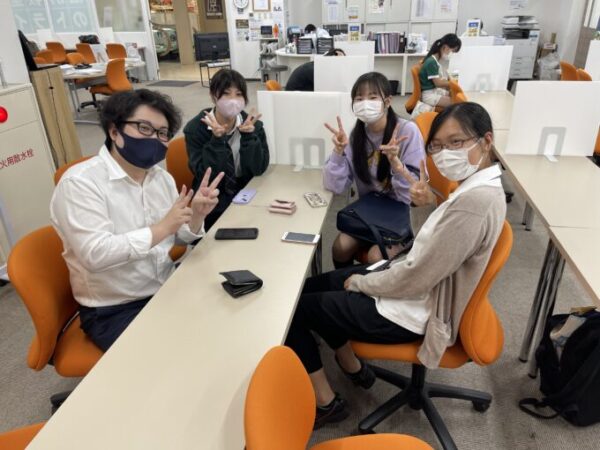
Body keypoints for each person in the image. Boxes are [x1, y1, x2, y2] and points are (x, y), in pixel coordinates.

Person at [285, 102, 507, 429]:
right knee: (314, 288)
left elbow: (419, 277)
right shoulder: (477, 187)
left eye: (456, 142)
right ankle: (353, 367)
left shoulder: (475, 202)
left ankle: (326, 403)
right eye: (438, 146)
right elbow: (432, 247)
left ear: (486, 141)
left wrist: (362, 283)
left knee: (294, 310)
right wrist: (425, 205)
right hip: (411, 282)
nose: (446, 153)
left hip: (412, 307)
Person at [50, 89, 224, 351]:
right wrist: (161, 227)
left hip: (165, 285)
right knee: (180, 355)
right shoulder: (80, 183)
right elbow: (95, 255)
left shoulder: (160, 178)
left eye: (162, 133)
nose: (155, 138)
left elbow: (176, 237)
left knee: (225, 319)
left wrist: (197, 214)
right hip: (114, 308)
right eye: (144, 128)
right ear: (114, 131)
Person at [323, 72, 426, 266]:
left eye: (372, 97)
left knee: (375, 257)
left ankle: (372, 286)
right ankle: (347, 284)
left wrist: (396, 165)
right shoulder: (357, 136)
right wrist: (338, 152)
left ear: (387, 101)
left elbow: (413, 195)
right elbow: (334, 186)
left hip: (404, 212)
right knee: (340, 247)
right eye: (359, 98)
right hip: (372, 209)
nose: (365, 103)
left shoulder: (406, 132)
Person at [184, 69, 269, 230]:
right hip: (212, 198)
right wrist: (216, 141)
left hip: (247, 192)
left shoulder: (253, 125)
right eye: (226, 94)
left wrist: (249, 137)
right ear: (213, 96)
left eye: (239, 94)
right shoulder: (196, 129)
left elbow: (258, 169)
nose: (233, 100)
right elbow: (205, 175)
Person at [418, 33, 462, 109]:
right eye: (452, 51)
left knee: (453, 96)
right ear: (445, 47)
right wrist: (452, 83)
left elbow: (438, 81)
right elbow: (438, 83)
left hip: (433, 91)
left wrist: (450, 83)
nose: (451, 54)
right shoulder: (431, 62)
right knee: (456, 103)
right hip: (429, 96)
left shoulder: (434, 60)